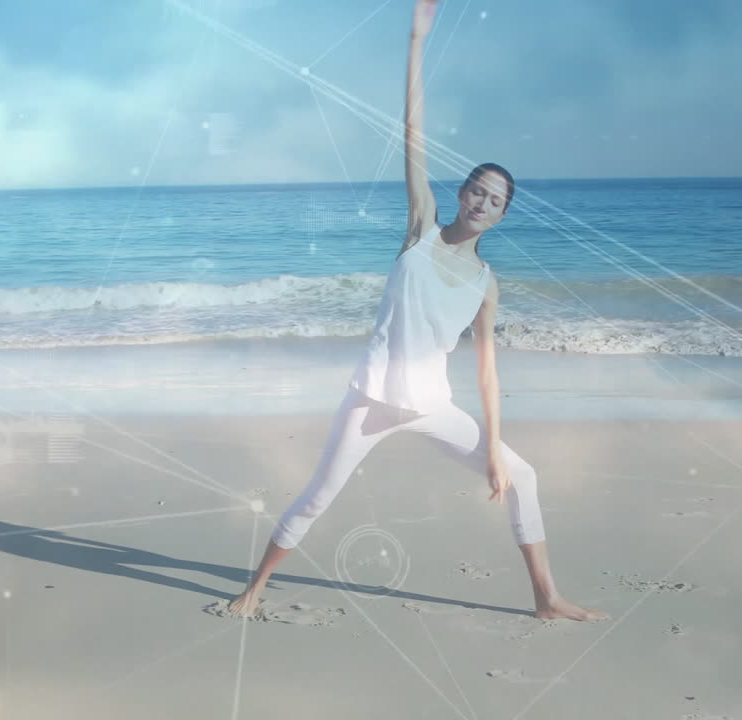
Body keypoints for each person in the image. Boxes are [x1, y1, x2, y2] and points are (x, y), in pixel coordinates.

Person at [226, 0, 606, 623]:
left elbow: (487, 373)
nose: (483, 203)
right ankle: (256, 587)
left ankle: (546, 598)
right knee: (318, 497)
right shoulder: (421, 229)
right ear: (462, 194)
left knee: (523, 475)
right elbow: (412, 133)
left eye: (495, 200)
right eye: (477, 190)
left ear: (502, 215)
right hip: (372, 401)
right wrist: (416, 41)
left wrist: (493, 448)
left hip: (433, 406)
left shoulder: (486, 283)